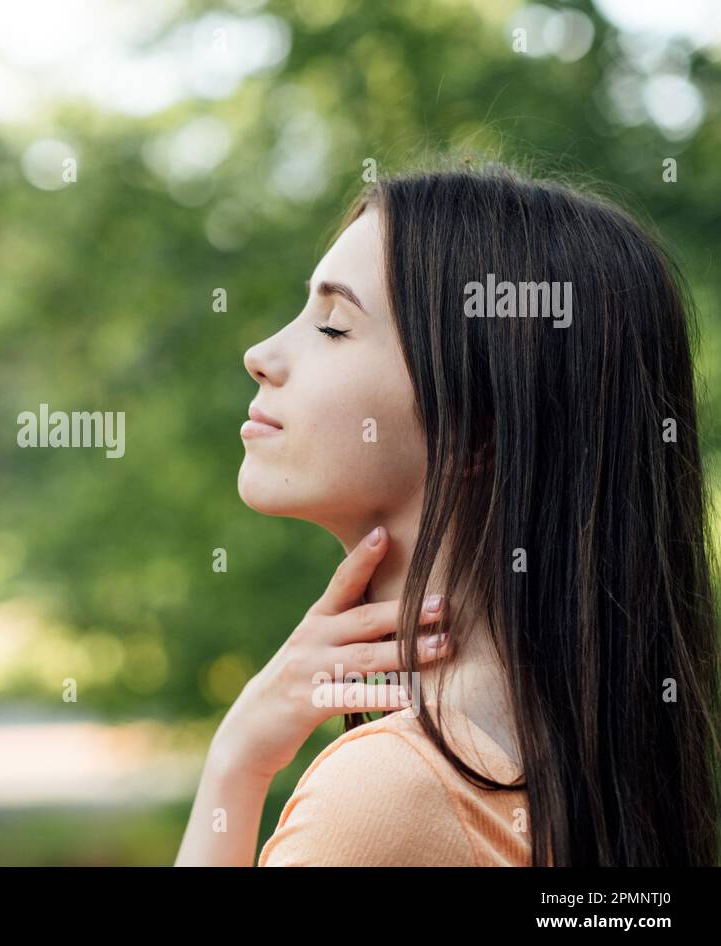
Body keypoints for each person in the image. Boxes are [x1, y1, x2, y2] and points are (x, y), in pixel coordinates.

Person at [175, 163, 721, 867]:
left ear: (478, 428)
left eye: (334, 327)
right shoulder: (570, 771)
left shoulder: (389, 795)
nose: (261, 355)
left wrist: (235, 768)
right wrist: (242, 758)